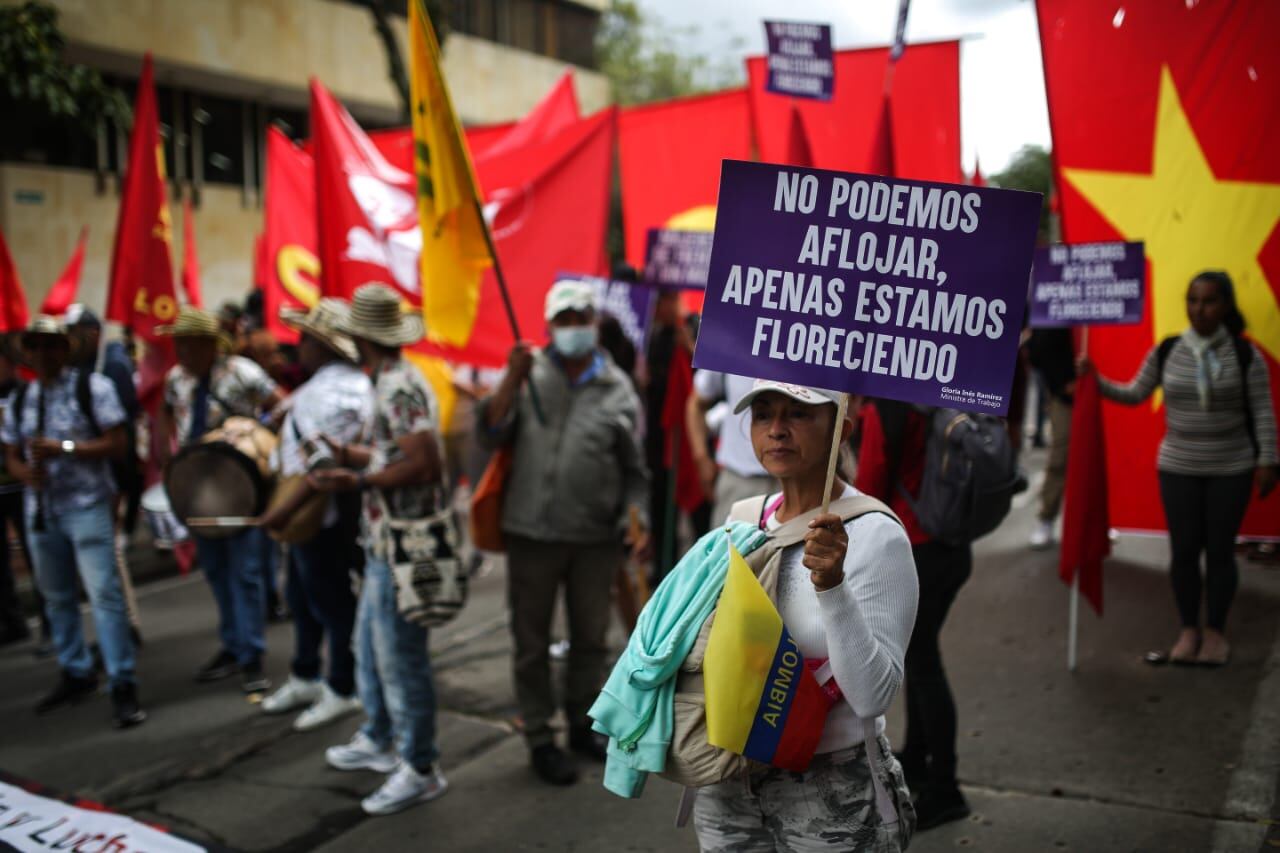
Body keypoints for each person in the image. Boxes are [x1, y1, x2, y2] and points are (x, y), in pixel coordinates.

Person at [691, 380, 918, 851]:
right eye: (763, 415)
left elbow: (873, 697)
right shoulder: (741, 520)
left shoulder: (877, 536)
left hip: (830, 791)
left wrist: (832, 586)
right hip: (728, 782)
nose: (776, 430)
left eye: (798, 414)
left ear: (842, 431)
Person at [478, 278, 650, 786]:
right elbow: (489, 431)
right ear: (550, 326)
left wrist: (633, 519)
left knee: (589, 640)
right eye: (564, 320)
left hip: (595, 537)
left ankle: (580, 725)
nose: (573, 328)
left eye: (581, 318)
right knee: (530, 643)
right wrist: (510, 380)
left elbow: (635, 472)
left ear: (594, 323)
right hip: (530, 533)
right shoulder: (529, 374)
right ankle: (538, 737)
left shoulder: (618, 389)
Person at [1083, 271, 1277, 666]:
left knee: (1220, 553)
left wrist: (1268, 460)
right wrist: (1094, 380)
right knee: (1184, 553)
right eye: (1192, 300)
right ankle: (1188, 630)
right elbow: (1134, 393)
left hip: (1231, 468)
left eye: (1208, 301)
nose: (1199, 310)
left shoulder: (1244, 355)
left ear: (1226, 305)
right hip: (1178, 467)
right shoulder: (1169, 349)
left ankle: (1215, 634)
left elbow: (1263, 412)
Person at [312, 283, 448, 816]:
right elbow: (399, 452)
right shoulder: (389, 381)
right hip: (383, 542)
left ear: (359, 338)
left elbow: (424, 462)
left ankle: (420, 765)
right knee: (371, 649)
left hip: (402, 545)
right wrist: (350, 454)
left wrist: (356, 480)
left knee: (400, 658)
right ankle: (380, 736)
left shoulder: (397, 386)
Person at [0, 316, 145, 728]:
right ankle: (75, 670)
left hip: (87, 505)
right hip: (42, 511)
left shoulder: (92, 388)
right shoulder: (21, 399)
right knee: (55, 596)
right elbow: (10, 450)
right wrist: (23, 471)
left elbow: (117, 443)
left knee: (104, 594)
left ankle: (122, 681)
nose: (43, 355)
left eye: (51, 346)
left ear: (65, 350)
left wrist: (66, 448)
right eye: (36, 347)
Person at [856, 398, 973, 829]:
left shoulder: (887, 403)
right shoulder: (933, 393)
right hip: (951, 546)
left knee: (924, 664)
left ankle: (946, 787)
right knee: (918, 655)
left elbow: (869, 482)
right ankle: (919, 759)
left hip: (917, 548)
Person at [156, 307, 284, 693]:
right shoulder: (176, 380)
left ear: (209, 344)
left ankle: (252, 656)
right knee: (214, 569)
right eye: (178, 343)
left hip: (239, 484)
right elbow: (165, 415)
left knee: (245, 571)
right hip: (198, 487)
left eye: (188, 343)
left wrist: (252, 431)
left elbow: (282, 404)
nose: (180, 350)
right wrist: (167, 457)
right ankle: (233, 644)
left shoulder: (242, 372)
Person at [257, 300, 371, 731]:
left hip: (319, 516)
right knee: (305, 598)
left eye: (304, 338)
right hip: (319, 515)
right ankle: (307, 673)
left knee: (330, 601)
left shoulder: (330, 393)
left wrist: (281, 512)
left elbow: (321, 468)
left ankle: (342, 686)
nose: (297, 346)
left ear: (322, 346)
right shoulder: (330, 387)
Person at [687, 369, 776, 526]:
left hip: (802, 485)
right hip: (738, 481)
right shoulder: (733, 345)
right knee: (726, 548)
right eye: (761, 415)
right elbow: (696, 403)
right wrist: (701, 457)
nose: (776, 431)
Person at [1026, 327, 1077, 548]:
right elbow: (1037, 351)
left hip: (1099, 392)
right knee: (1059, 458)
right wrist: (1062, 384)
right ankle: (1046, 518)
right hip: (1065, 399)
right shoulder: (1054, 310)